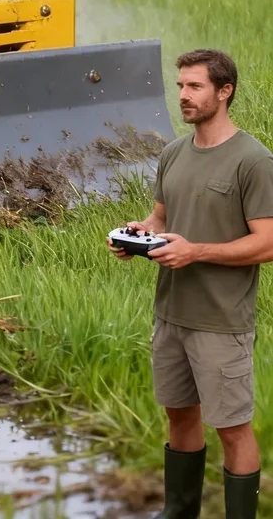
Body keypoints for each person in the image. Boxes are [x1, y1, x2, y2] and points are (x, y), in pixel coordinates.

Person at [109, 49, 273, 519]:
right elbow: (160, 218)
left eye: (195, 86)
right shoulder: (173, 153)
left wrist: (196, 250)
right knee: (179, 416)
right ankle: (179, 513)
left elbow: (267, 243)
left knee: (232, 429)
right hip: (170, 315)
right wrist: (137, 235)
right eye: (180, 85)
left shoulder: (254, 161)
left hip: (221, 322)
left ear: (225, 92)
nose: (183, 95)